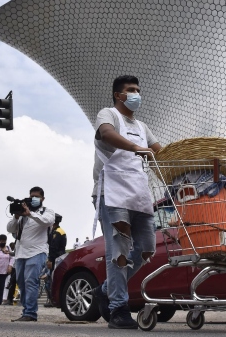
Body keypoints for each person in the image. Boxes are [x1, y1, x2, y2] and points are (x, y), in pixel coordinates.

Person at [91, 75, 162, 329]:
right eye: (131, 90)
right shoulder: (108, 114)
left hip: (139, 196)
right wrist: (136, 148)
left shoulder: (143, 127)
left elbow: (159, 152)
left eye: (138, 90)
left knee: (145, 249)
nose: (136, 94)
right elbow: (106, 134)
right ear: (118, 95)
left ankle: (106, 290)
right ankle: (118, 309)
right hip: (112, 194)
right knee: (118, 252)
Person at [6, 186, 56, 322]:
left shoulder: (47, 212)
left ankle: (30, 313)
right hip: (21, 253)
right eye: (31, 196)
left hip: (37, 252)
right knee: (21, 282)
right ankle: (26, 311)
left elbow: (47, 221)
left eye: (37, 197)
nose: (33, 199)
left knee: (30, 281)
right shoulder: (22, 215)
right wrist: (17, 216)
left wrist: (30, 214)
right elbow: (10, 229)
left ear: (42, 199)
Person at [44, 216, 66, 307]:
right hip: (60, 257)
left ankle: (52, 300)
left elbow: (53, 247)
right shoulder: (61, 231)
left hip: (56, 258)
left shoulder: (56, 232)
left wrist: (50, 260)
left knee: (51, 280)